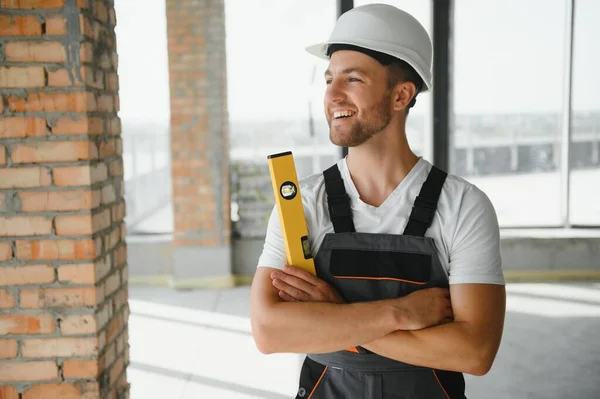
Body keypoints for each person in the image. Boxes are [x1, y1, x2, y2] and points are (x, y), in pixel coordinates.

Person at [250, 4, 506, 399]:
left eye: (352, 79)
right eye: (329, 79)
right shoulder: (301, 203)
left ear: (401, 95)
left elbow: (474, 352)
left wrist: (336, 315)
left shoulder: (463, 206)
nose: (332, 95)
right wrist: (399, 314)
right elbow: (269, 332)